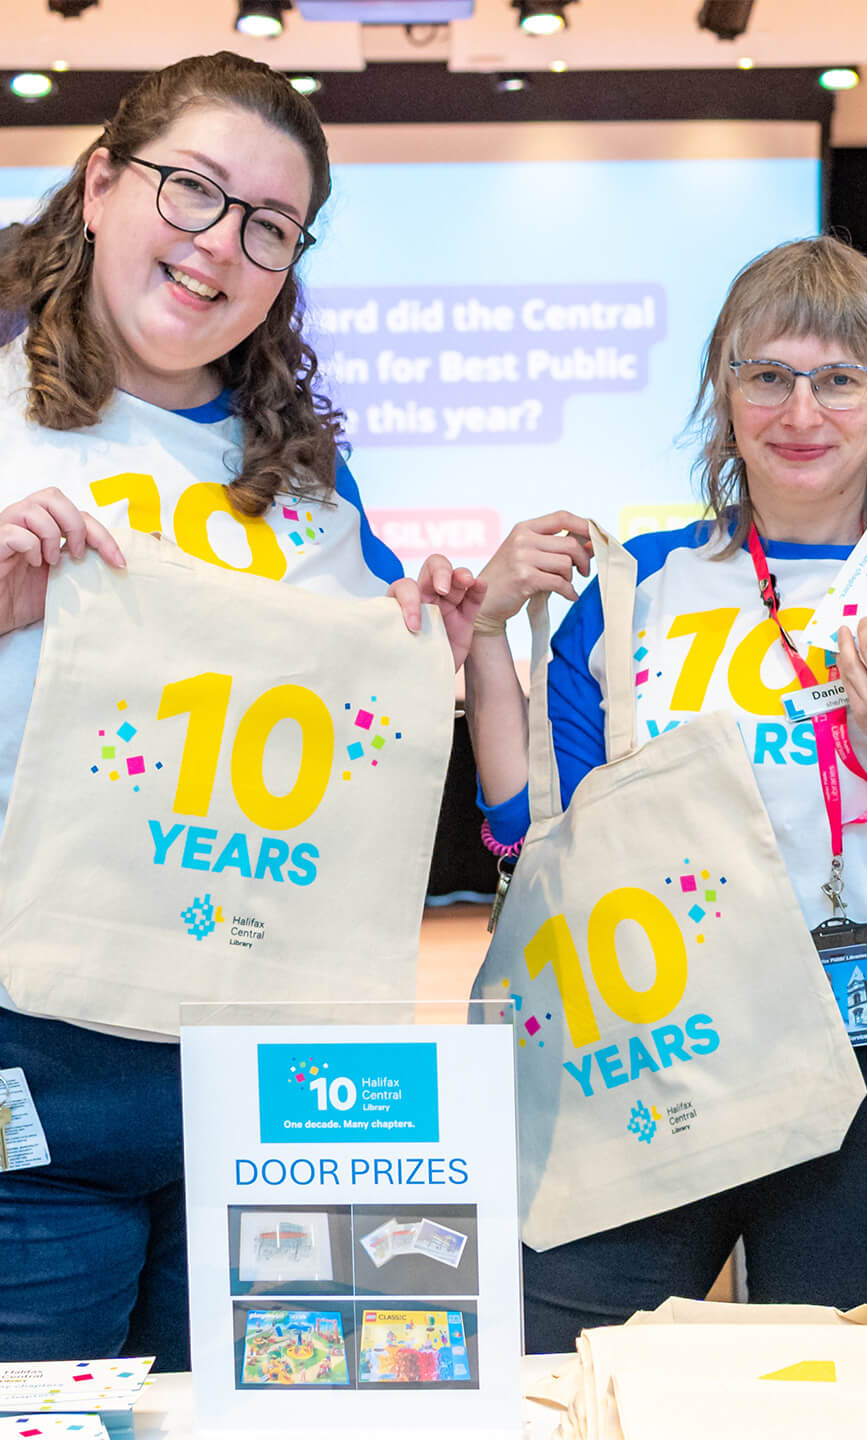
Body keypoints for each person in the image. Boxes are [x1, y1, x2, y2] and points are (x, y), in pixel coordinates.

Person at [466, 236, 867, 1348]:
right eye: (766, 374)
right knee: (581, 1380)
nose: (802, 410)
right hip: (643, 1045)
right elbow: (535, 832)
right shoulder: (641, 584)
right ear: (722, 395)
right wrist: (488, 633)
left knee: (842, 1404)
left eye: (841, 377)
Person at [0, 52, 486, 1368]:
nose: (222, 246)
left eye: (268, 227)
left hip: (264, 1078)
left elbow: (363, 724)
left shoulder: (307, 488)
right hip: (31, 1058)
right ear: (101, 183)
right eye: (192, 192)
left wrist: (427, 628)